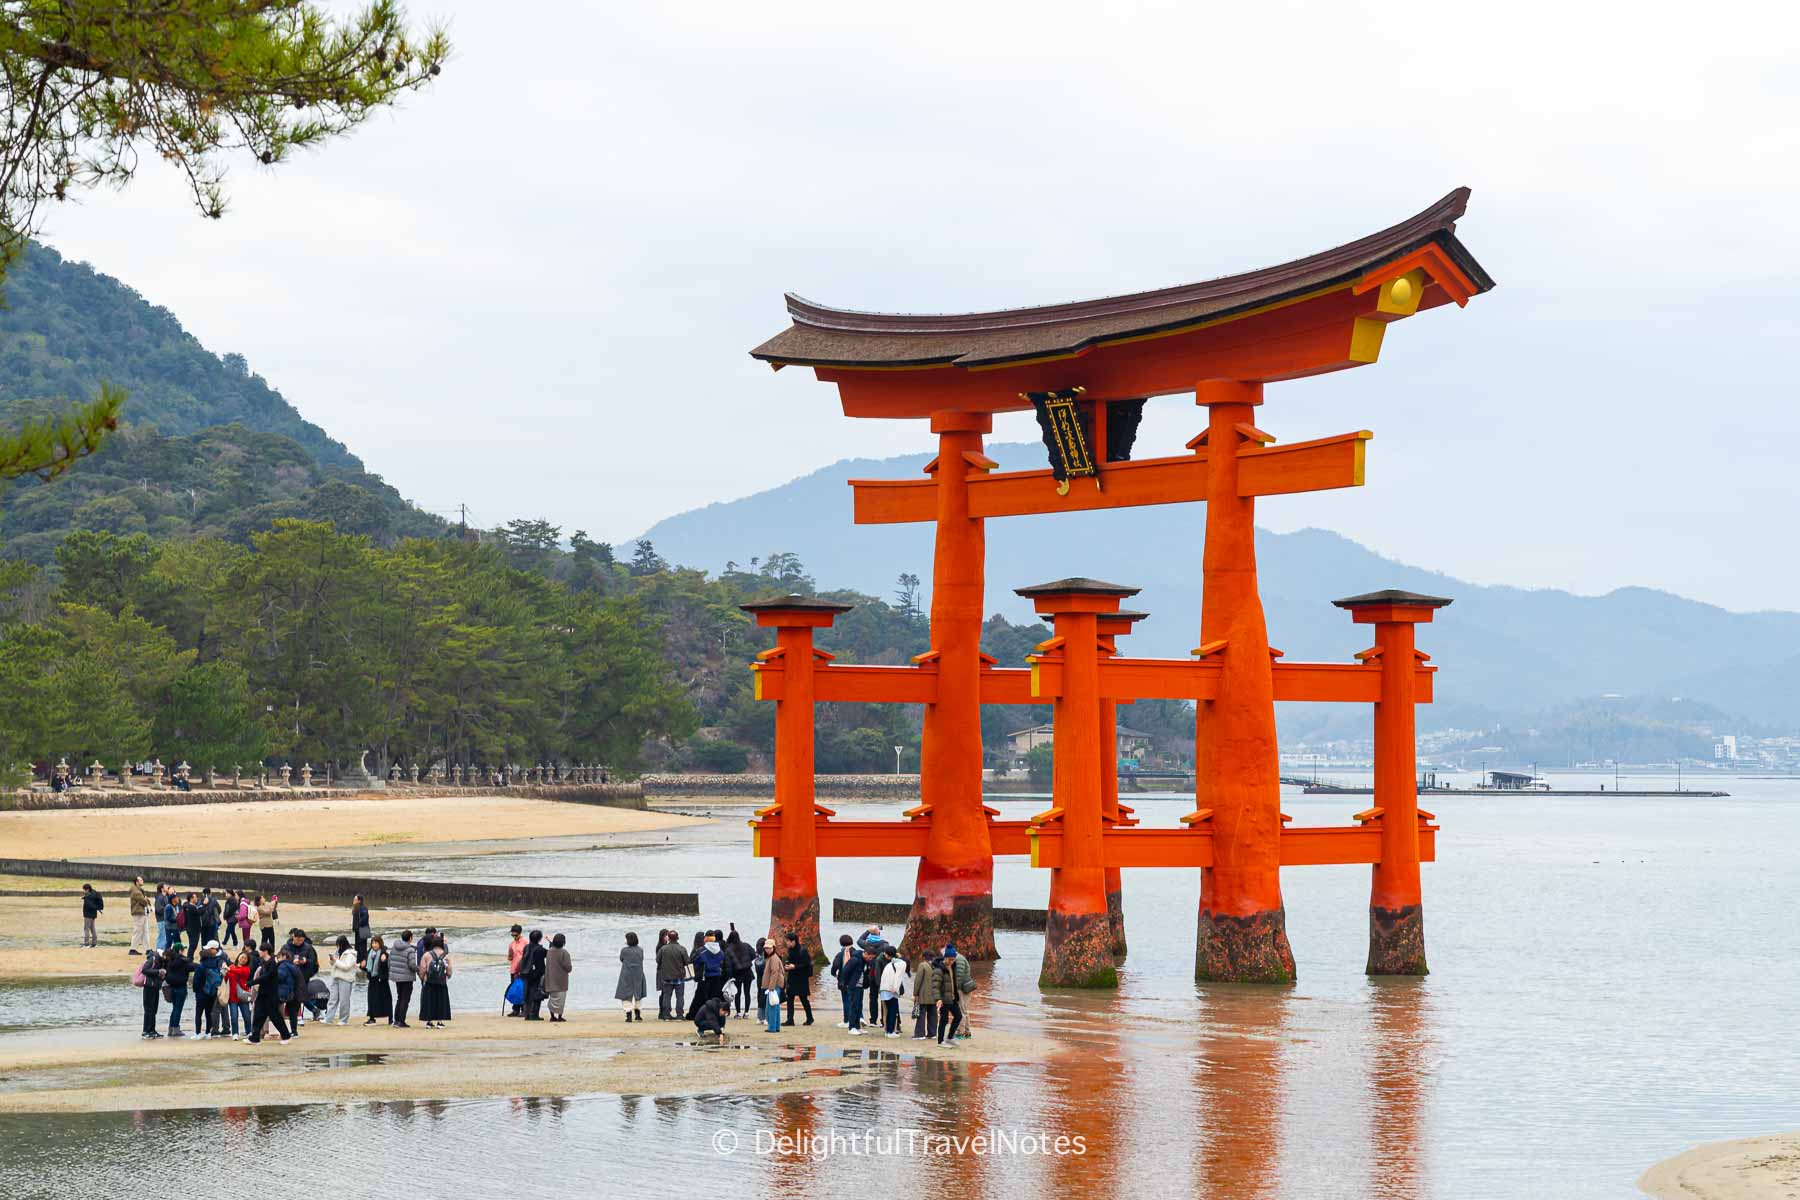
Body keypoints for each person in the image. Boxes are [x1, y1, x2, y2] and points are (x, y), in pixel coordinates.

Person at [246, 946, 292, 1045]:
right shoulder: (264, 963)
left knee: (275, 1016)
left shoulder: (272, 963)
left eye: (261, 950)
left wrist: (252, 982)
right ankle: (255, 1038)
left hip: (270, 995)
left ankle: (286, 1036)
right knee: (258, 1015)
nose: (259, 952)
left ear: (266, 951)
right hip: (263, 993)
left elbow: (267, 977)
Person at [939, 944, 974, 1044]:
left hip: (962, 989)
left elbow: (957, 978)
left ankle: (960, 1032)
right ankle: (967, 1032)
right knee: (964, 1010)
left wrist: (954, 991)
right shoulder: (959, 958)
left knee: (961, 1011)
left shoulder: (957, 960)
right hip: (963, 988)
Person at [192, 940, 226, 1038]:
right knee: (208, 1013)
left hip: (201, 993)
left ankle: (198, 1033)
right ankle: (208, 1032)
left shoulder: (201, 966)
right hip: (212, 992)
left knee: (199, 1013)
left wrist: (196, 990)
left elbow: (196, 981)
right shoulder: (216, 964)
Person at [418, 934, 452, 1028]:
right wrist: (447, 976)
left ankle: (429, 1021)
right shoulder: (446, 956)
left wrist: (423, 978)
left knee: (429, 1001)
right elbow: (449, 970)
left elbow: (422, 969)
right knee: (441, 1001)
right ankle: (440, 1022)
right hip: (441, 982)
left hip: (429, 982)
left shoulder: (427, 955)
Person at [689, 931, 724, 1019]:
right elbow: (722, 960)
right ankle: (716, 1014)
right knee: (715, 997)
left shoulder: (702, 951)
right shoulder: (720, 951)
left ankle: (694, 1014)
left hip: (706, 976)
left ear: (706, 939)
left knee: (700, 997)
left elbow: (695, 960)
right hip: (717, 976)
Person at [857, 926, 887, 1026]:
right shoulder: (884, 945)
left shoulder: (867, 944)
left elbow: (859, 940)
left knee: (873, 997)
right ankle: (884, 1020)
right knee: (884, 997)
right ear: (879, 934)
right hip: (883, 975)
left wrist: (868, 930)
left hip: (871, 974)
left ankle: (873, 1020)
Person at [655, 929, 688, 1020]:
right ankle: (680, 1015)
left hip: (666, 977)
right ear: (677, 938)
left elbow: (658, 961)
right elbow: (687, 962)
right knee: (680, 996)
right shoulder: (682, 949)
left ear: (668, 938)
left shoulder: (663, 949)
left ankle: (666, 1015)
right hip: (679, 977)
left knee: (666, 996)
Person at [614, 931, 646, 1022]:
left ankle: (628, 1016)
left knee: (626, 994)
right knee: (638, 993)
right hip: (638, 974)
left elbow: (622, 959)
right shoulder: (640, 949)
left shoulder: (624, 950)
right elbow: (641, 958)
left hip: (626, 974)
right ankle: (638, 1014)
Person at [326, 935, 358, 1025]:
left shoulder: (351, 954)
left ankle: (343, 1020)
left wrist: (336, 961)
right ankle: (328, 1018)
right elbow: (333, 964)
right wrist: (332, 960)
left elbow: (346, 967)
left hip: (346, 979)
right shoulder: (338, 952)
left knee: (344, 1000)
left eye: (339, 945)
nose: (338, 947)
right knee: (333, 999)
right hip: (336, 977)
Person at [783, 932, 814, 1026]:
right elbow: (789, 961)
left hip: (802, 979)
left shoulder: (803, 950)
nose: (786, 943)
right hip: (792, 978)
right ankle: (790, 1020)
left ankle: (810, 1018)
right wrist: (787, 966)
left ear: (793, 941)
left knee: (804, 999)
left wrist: (795, 966)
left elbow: (806, 964)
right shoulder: (790, 950)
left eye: (788, 941)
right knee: (789, 999)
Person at [389, 929, 417, 1028]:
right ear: (410, 938)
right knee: (405, 999)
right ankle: (401, 1021)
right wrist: (418, 969)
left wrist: (391, 972)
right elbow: (412, 964)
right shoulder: (411, 950)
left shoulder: (394, 947)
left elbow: (390, 961)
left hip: (396, 977)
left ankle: (396, 1020)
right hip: (407, 977)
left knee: (399, 998)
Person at [162, 944, 192, 1037]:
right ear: (180, 951)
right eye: (183, 950)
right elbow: (193, 967)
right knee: (178, 1009)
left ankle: (171, 1029)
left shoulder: (168, 961)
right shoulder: (183, 961)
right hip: (181, 988)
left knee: (175, 1009)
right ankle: (175, 1029)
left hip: (171, 987)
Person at [911, 953, 942, 1041]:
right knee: (933, 1015)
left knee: (921, 1014)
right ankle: (932, 1033)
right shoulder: (937, 966)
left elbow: (918, 980)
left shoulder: (923, 965)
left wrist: (915, 993)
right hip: (935, 995)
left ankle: (920, 1034)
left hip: (923, 995)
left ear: (923, 957)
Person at [760, 932, 786, 1033]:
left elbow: (774, 973)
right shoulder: (772, 957)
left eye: (769, 948)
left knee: (771, 1007)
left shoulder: (773, 958)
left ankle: (772, 1028)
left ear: (773, 948)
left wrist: (771, 987)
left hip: (774, 986)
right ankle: (776, 1027)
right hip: (776, 985)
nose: (767, 950)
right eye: (766, 948)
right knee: (775, 1006)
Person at [878, 949, 908, 1038]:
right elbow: (898, 977)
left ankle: (888, 1031)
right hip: (891, 990)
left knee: (888, 1011)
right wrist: (895, 989)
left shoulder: (889, 964)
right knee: (892, 1011)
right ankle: (890, 1032)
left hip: (884, 989)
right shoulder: (901, 964)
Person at [724, 928, 754, 1018]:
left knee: (737, 993)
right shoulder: (746, 945)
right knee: (747, 992)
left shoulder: (729, 950)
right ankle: (747, 1012)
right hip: (748, 972)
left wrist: (730, 976)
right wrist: (748, 962)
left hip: (737, 973)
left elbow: (728, 965)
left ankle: (738, 1013)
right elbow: (753, 954)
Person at [276, 948, 305, 1041]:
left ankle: (284, 1031)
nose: (277, 959)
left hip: (289, 992)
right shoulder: (292, 965)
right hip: (297, 992)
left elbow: (280, 977)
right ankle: (294, 1031)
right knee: (293, 1014)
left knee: (277, 1011)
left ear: (284, 957)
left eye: (279, 957)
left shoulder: (283, 966)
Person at [137, 945, 166, 1039]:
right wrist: (158, 972)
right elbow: (144, 970)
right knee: (149, 1010)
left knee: (154, 1010)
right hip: (149, 987)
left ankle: (152, 1030)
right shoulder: (152, 959)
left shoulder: (160, 960)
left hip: (155, 987)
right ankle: (146, 1031)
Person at [520, 930, 549, 1020]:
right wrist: (551, 943)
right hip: (536, 974)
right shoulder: (540, 949)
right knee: (537, 993)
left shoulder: (526, 947)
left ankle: (527, 1014)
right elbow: (549, 953)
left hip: (525, 973)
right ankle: (534, 1014)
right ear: (539, 939)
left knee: (527, 993)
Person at [544, 933, 572, 1022]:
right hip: (561, 980)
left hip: (550, 978)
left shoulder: (550, 951)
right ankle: (560, 1016)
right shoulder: (565, 953)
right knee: (561, 1000)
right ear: (563, 942)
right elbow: (568, 968)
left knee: (552, 998)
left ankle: (552, 1016)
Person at [226, 949, 253, 1039]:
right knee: (234, 1016)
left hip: (243, 995)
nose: (243, 959)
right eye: (242, 957)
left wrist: (229, 969)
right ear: (238, 957)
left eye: (245, 958)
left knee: (247, 1016)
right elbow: (226, 978)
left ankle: (249, 1031)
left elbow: (240, 972)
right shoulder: (231, 967)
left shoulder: (246, 969)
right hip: (232, 996)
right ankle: (235, 1033)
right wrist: (224, 972)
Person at [364, 936, 392, 1025]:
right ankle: (372, 1018)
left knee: (386, 999)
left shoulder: (384, 953)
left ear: (380, 943)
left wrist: (384, 960)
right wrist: (362, 965)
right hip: (372, 980)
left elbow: (387, 967)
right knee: (371, 999)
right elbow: (367, 968)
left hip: (381, 980)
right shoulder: (369, 953)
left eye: (376, 943)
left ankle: (391, 1018)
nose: (374, 945)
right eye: (372, 943)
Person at [505, 924, 527, 1017]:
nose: (514, 937)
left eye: (516, 935)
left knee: (522, 989)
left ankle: (524, 1009)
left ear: (519, 933)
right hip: (513, 970)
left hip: (523, 970)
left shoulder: (525, 942)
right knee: (515, 990)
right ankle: (515, 1009)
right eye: (512, 935)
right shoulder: (512, 944)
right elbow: (509, 956)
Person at [128, 877, 150, 956]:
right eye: (140, 880)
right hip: (138, 913)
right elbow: (144, 901)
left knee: (145, 931)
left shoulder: (138, 890)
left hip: (142, 912)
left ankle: (147, 949)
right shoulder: (136, 891)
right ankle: (133, 948)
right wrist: (146, 899)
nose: (142, 881)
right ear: (136, 882)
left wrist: (145, 900)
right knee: (138, 931)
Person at [80, 883, 103, 948]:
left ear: (87, 889)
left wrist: (85, 898)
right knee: (92, 928)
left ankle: (86, 943)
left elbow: (89, 905)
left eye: (84, 890)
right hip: (93, 914)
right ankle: (94, 943)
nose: (84, 891)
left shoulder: (88, 896)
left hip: (88, 914)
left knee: (86, 928)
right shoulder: (94, 893)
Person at [350, 895, 371, 964]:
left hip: (363, 929)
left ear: (359, 901)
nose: (353, 900)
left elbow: (364, 919)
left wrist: (358, 925)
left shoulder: (363, 908)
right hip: (358, 930)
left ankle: (363, 962)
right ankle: (358, 961)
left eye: (355, 899)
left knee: (362, 948)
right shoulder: (356, 908)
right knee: (357, 947)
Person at [153, 884, 170, 950]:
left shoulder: (165, 897)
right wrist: (167, 909)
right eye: (165, 886)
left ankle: (162, 949)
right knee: (162, 935)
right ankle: (159, 949)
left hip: (165, 919)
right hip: (161, 919)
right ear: (162, 889)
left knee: (165, 936)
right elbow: (158, 909)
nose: (167, 887)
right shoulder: (160, 897)